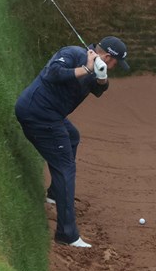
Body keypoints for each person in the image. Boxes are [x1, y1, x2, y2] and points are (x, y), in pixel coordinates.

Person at [15, 36, 130, 248]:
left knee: (72, 136)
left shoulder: (97, 64)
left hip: (50, 115)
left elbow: (97, 90)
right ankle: (67, 234)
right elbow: (53, 73)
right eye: (114, 63)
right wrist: (87, 69)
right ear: (107, 56)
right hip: (38, 114)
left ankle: (53, 196)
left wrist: (102, 77)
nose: (114, 67)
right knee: (65, 167)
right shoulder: (72, 53)